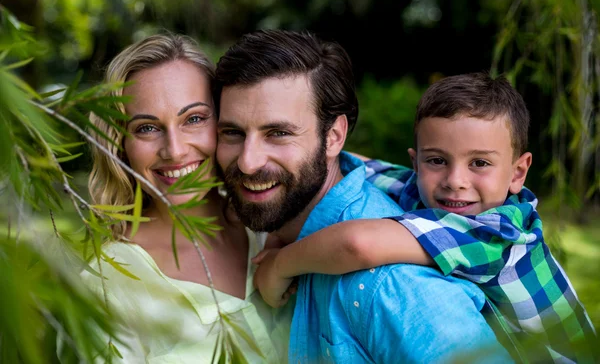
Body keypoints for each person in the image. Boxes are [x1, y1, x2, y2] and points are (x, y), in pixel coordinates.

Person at [252, 72, 598, 363]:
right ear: (416, 162)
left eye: (479, 163)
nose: (455, 180)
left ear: (518, 173)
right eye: (437, 160)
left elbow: (358, 245)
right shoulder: (420, 186)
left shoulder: (496, 234)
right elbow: (349, 163)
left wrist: (280, 265)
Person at [214, 29, 513, 363]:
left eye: (279, 133)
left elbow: (356, 246)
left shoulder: (392, 284)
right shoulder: (273, 224)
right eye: (232, 133)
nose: (248, 162)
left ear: (334, 137)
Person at [85, 33, 292, 363]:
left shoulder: (272, 222)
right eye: (146, 128)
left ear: (224, 119)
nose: (175, 150)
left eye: (194, 119)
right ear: (120, 144)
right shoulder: (109, 283)